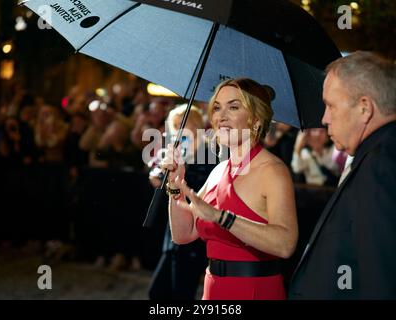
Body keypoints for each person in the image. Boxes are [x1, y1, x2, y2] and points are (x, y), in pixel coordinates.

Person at [161, 78, 298, 300]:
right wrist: (175, 185)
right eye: (217, 107)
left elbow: (285, 245)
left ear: (255, 119)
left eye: (233, 107)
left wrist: (220, 217)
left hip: (253, 290)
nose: (220, 116)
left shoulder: (272, 170)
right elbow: (182, 235)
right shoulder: (219, 170)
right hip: (213, 288)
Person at [289, 51, 396, 299]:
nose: (324, 118)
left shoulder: (382, 165)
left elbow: (382, 279)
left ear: (364, 108)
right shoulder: (375, 157)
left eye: (330, 105)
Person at [148, 104, 215, 300]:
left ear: (195, 126)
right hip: (173, 230)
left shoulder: (209, 154)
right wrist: (161, 177)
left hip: (194, 231)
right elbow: (165, 185)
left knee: (181, 292)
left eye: (182, 124)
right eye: (174, 126)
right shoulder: (176, 153)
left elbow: (199, 191)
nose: (178, 130)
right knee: (158, 292)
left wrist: (177, 180)